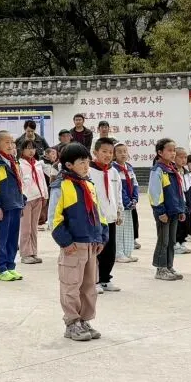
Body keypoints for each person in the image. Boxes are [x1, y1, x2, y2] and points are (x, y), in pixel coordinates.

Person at [49, 143, 108, 342]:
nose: (86, 166)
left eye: (87, 161)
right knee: (71, 284)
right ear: (68, 164)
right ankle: (72, 322)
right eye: (81, 162)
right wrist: (65, 242)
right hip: (73, 246)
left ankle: (84, 319)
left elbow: (98, 213)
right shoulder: (61, 186)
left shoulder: (89, 185)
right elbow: (54, 219)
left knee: (89, 285)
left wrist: (101, 236)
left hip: (91, 244)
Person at [0, 131, 25, 282]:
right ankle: (1, 268)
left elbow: (20, 184)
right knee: (1, 238)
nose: (10, 145)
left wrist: (21, 202)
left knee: (13, 239)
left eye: (12, 142)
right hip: (2, 207)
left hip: (15, 205)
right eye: (7, 142)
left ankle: (10, 266)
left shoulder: (14, 161)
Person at [148, 138, 186, 281]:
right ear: (160, 152)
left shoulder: (172, 169)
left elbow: (178, 192)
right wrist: (160, 211)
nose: (173, 153)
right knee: (163, 240)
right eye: (169, 150)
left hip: (174, 211)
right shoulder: (158, 170)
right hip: (164, 212)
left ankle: (169, 266)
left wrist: (181, 209)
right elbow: (154, 193)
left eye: (174, 150)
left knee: (171, 240)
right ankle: (160, 268)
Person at [90, 138, 122, 293]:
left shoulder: (114, 171)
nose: (108, 155)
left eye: (110, 152)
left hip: (110, 217)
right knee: (96, 251)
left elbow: (118, 193)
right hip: (95, 219)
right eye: (104, 151)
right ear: (95, 152)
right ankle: (93, 280)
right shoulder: (89, 171)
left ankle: (105, 279)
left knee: (110, 251)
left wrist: (119, 211)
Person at [17, 138, 48, 265]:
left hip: (38, 198)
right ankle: (25, 254)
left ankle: (34, 252)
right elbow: (19, 183)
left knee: (34, 227)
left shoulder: (37, 164)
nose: (31, 151)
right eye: (28, 148)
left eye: (33, 148)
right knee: (25, 228)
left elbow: (42, 180)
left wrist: (44, 195)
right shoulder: (19, 164)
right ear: (22, 150)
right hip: (26, 199)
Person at [112, 143, 139, 264]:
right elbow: (118, 188)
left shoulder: (129, 167)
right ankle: (118, 253)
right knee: (118, 230)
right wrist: (127, 201)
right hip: (121, 205)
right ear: (114, 154)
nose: (123, 154)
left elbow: (135, 184)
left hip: (130, 205)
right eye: (119, 152)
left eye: (125, 151)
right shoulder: (114, 169)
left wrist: (135, 198)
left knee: (129, 229)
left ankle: (127, 253)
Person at [174, 149, 191, 255]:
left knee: (186, 224)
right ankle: (175, 244)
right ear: (174, 157)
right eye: (181, 157)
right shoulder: (172, 171)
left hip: (186, 203)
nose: (184, 160)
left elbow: (189, 188)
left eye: (185, 157)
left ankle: (182, 242)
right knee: (178, 224)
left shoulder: (186, 173)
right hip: (177, 203)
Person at [39, 146, 61, 229]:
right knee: (45, 204)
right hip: (45, 186)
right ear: (46, 154)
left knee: (51, 204)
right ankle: (41, 221)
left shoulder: (55, 164)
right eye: (52, 153)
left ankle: (48, 221)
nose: (54, 155)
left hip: (51, 187)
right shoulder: (41, 163)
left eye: (55, 153)